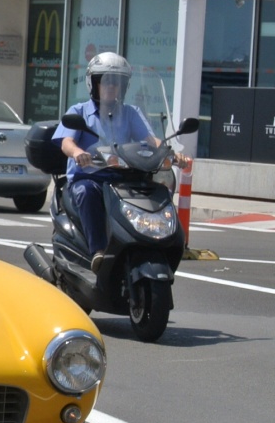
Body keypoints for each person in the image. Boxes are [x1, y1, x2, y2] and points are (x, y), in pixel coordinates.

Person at [52, 52, 188, 271]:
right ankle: (97, 251)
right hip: (90, 177)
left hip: (123, 178)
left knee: (152, 191)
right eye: (104, 81)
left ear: (124, 87)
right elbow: (66, 141)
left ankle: (150, 244)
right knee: (86, 192)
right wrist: (77, 152)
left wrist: (170, 153)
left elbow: (150, 139)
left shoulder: (131, 113)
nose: (110, 87)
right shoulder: (79, 111)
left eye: (116, 82)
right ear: (93, 84)